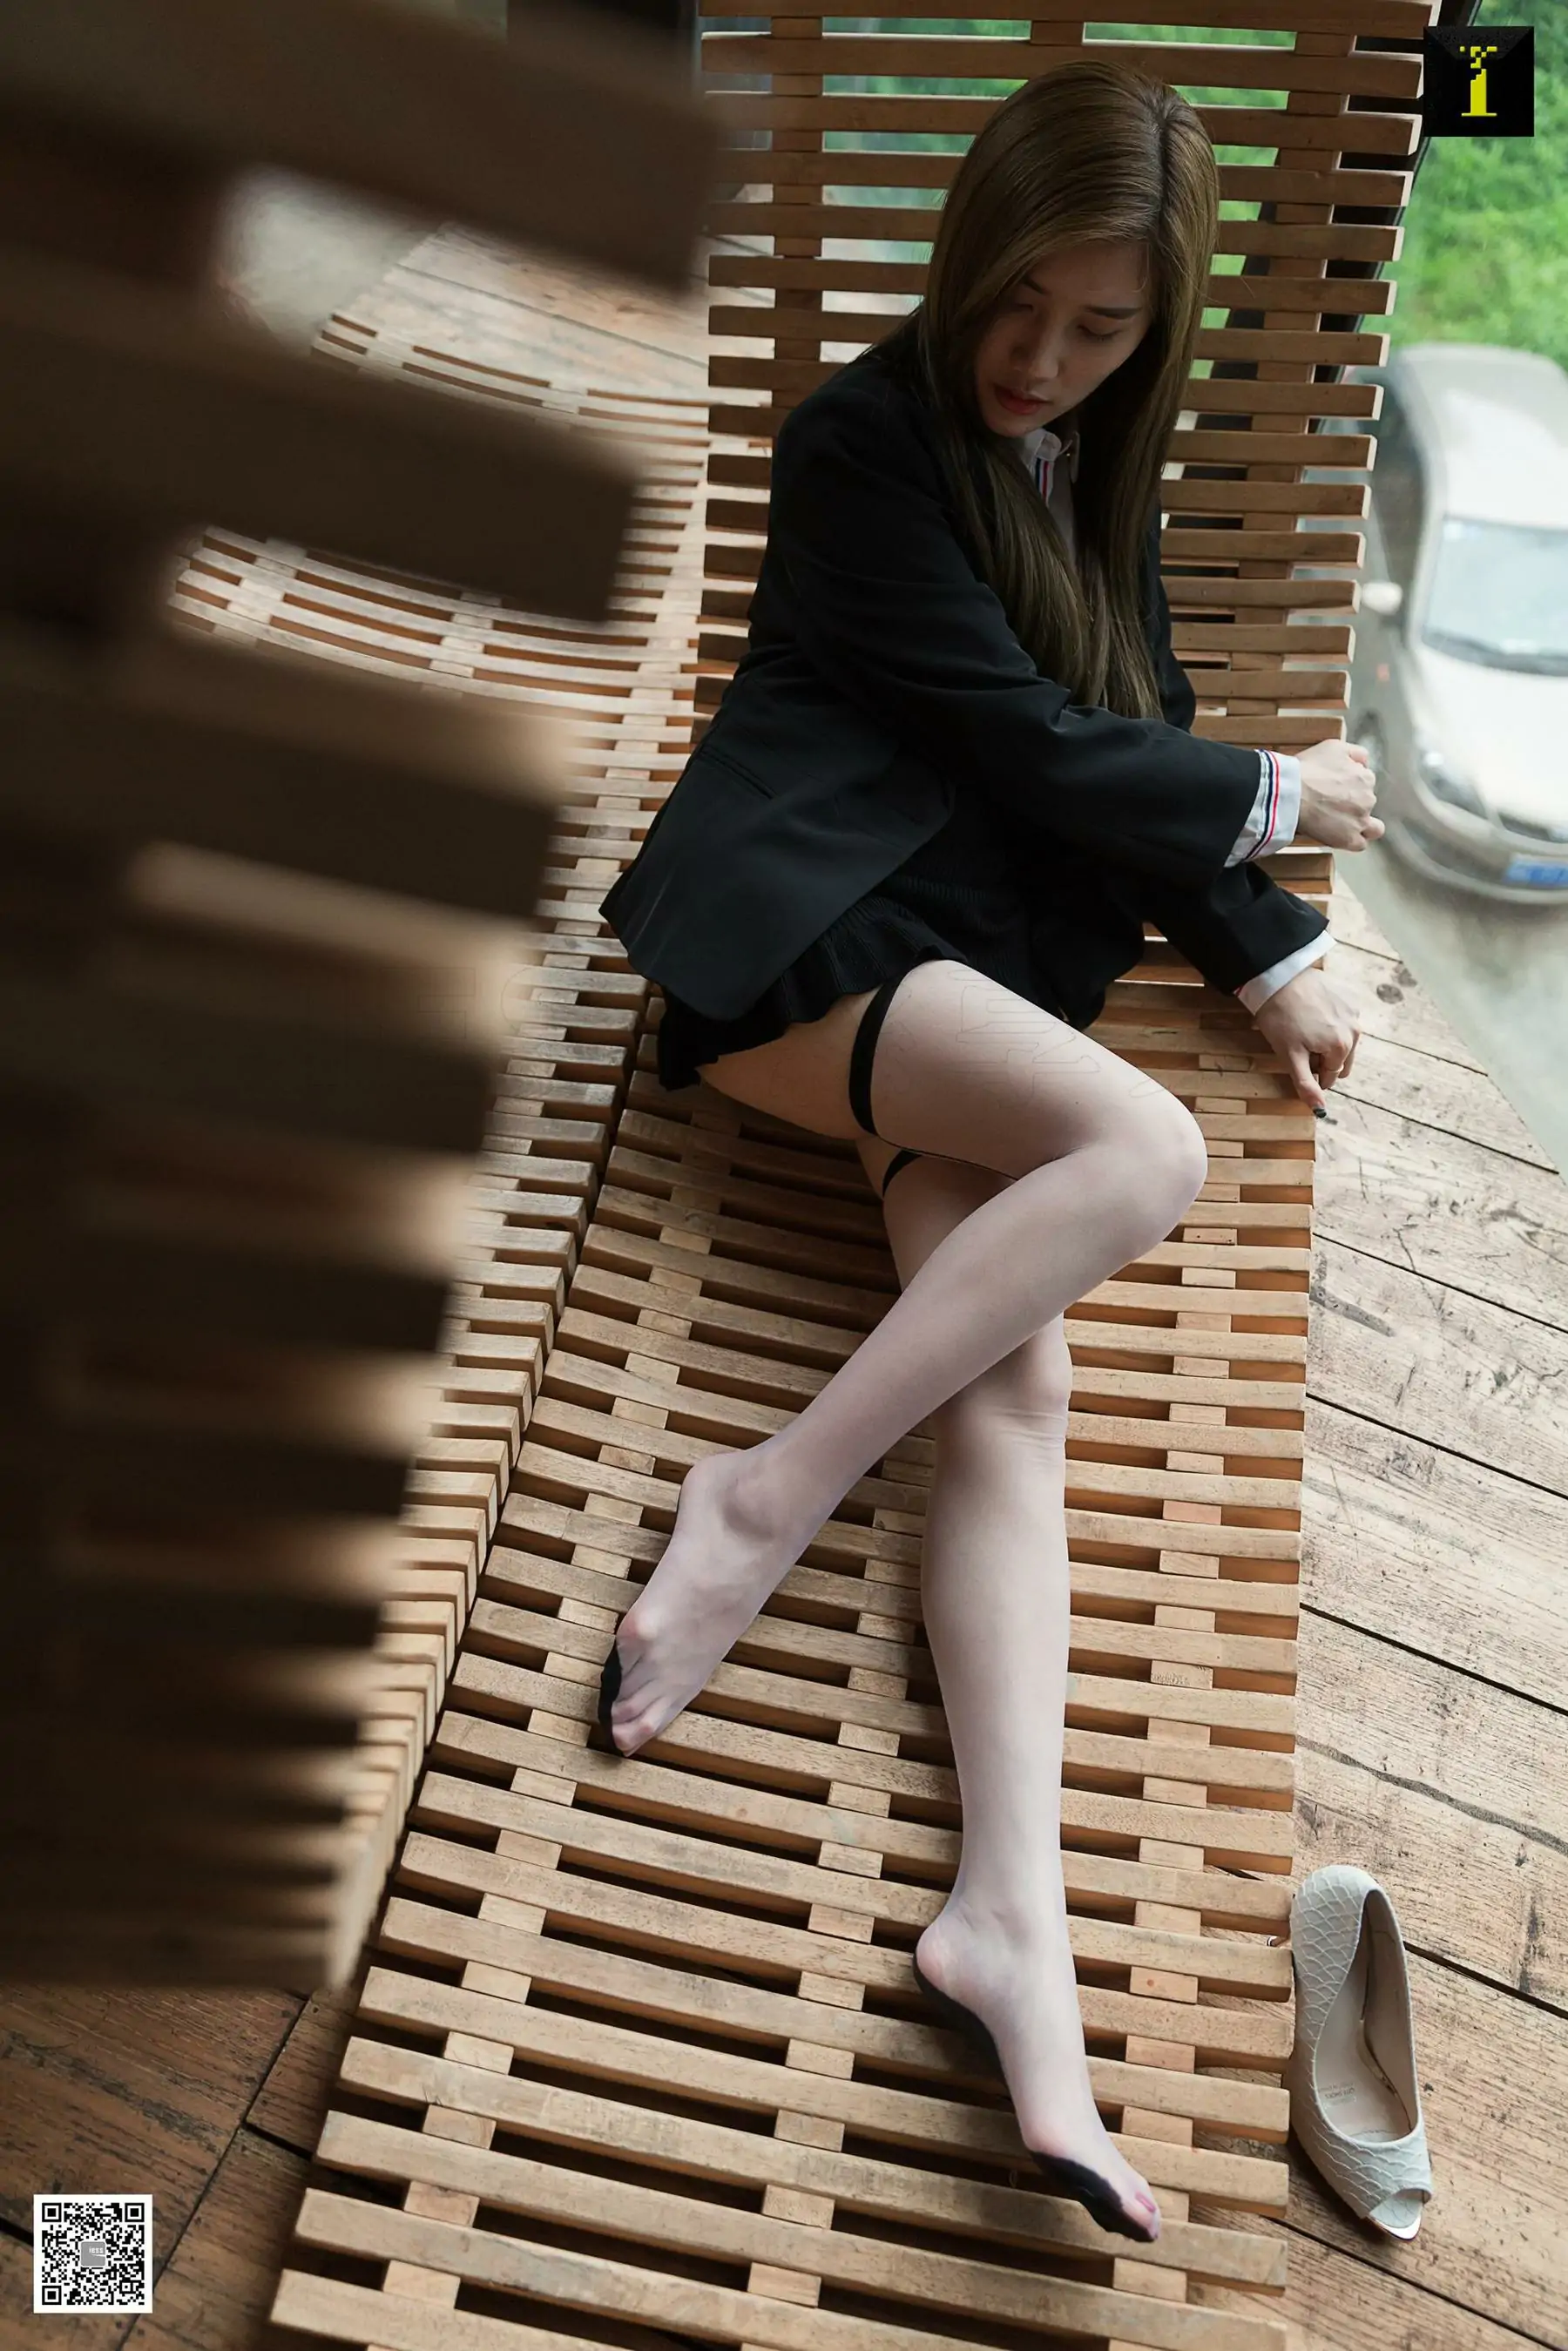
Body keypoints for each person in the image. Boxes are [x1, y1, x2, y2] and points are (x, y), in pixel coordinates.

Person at [596, 57, 1379, 2246]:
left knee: (1019, 1387)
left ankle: (1007, 1927)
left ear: (1155, 328)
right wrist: (1282, 806)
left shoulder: (1085, 456)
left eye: (1099, 326)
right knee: (1141, 1151)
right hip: (805, 949)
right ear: (967, 259)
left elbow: (1120, 707)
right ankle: (766, 1492)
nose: (1041, 355)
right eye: (1017, 303)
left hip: (959, 960)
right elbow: (1036, 741)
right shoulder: (862, 439)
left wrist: (1255, 947)